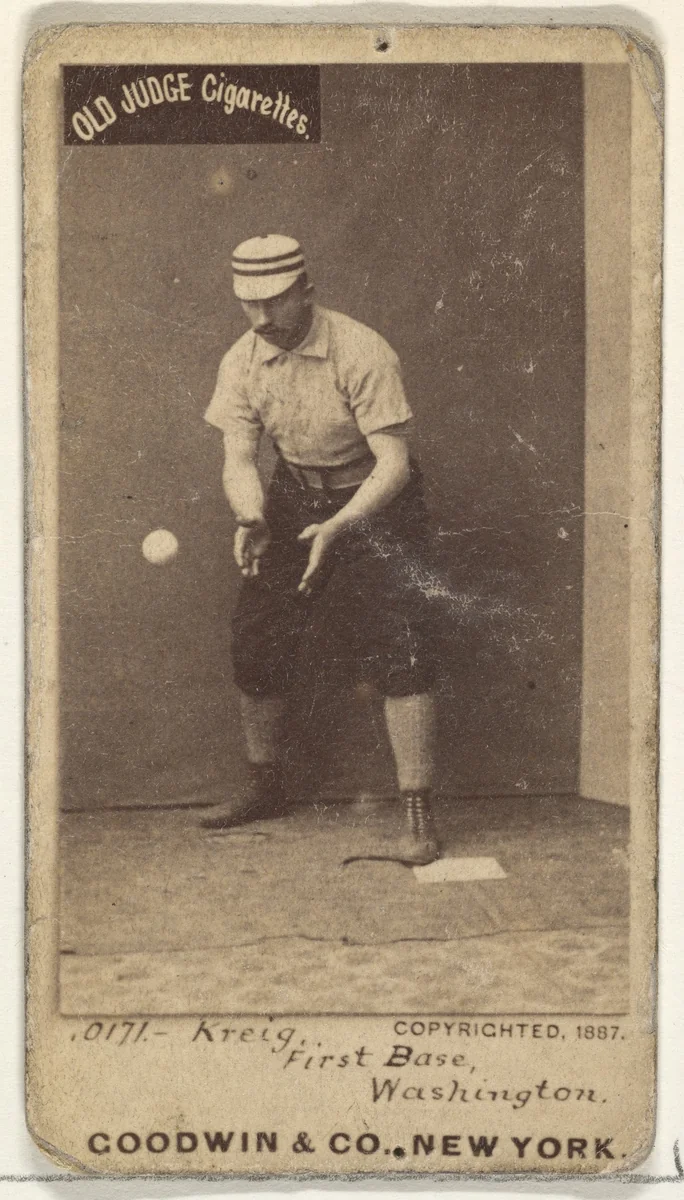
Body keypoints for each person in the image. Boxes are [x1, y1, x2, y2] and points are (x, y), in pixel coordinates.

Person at [200, 234, 441, 865]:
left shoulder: (362, 351)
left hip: (377, 498)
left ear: (306, 290)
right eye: (246, 304)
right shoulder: (242, 361)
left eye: (274, 302)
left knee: (401, 646)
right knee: (256, 638)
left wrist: (340, 526)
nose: (260, 319)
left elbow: (394, 463)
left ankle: (418, 812)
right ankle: (265, 785)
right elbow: (238, 457)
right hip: (292, 496)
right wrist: (251, 515)